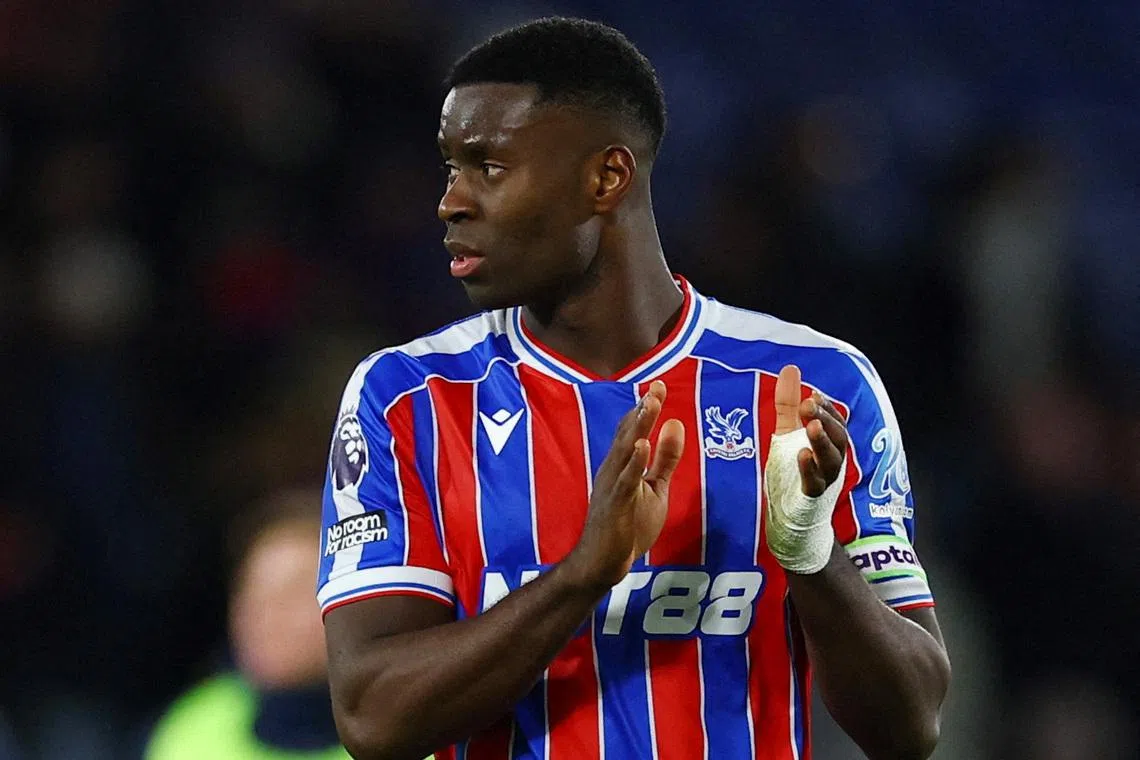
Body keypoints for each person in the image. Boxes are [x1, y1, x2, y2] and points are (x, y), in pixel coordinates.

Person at [317, 17, 950, 760]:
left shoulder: (816, 388)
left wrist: (810, 552)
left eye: (487, 167)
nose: (450, 201)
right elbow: (372, 719)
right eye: (450, 166)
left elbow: (911, 725)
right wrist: (583, 575)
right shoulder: (407, 401)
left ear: (606, 177)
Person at [147, 490, 351, 760]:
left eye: (292, 592)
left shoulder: (405, 732)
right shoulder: (192, 724)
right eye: (252, 591)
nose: (265, 613)